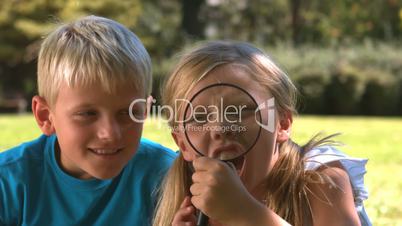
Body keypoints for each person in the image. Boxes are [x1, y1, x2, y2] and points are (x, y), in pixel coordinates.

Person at [153, 41, 371, 226]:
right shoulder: (193, 206)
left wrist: (246, 214)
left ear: (282, 124)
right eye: (199, 118)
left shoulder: (322, 180)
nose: (220, 128)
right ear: (182, 145)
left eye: (243, 110)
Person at [0, 15, 176, 226]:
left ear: (145, 110)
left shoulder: (166, 176)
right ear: (46, 116)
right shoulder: (9, 183)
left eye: (127, 112)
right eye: (87, 114)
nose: (110, 133)